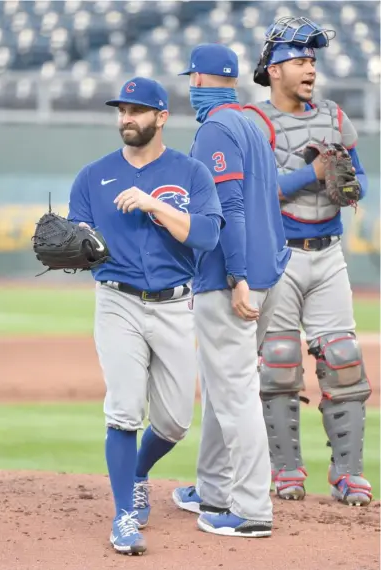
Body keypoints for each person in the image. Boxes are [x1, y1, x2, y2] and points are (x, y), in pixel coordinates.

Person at [67, 76, 224, 555]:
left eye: (136, 110)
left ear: (160, 117)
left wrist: (155, 204)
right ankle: (123, 517)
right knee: (124, 409)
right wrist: (73, 243)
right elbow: (79, 239)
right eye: (121, 110)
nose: (126, 118)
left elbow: (206, 237)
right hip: (117, 300)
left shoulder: (191, 172)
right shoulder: (92, 176)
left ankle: (139, 472)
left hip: (176, 303)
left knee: (175, 421)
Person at [243, 16, 372, 506]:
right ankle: (285, 471)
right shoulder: (254, 123)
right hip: (281, 256)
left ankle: (348, 473)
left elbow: (355, 177)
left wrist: (346, 179)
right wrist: (311, 171)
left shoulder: (336, 116)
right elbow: (258, 192)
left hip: (328, 253)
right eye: (298, 61)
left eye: (312, 61)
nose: (309, 69)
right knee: (278, 361)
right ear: (273, 70)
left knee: (342, 359)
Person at [172, 44, 291, 538]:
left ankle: (251, 508)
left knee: (235, 392)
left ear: (200, 79)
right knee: (223, 387)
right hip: (270, 271)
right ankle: (213, 488)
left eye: (191, 78)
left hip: (232, 281)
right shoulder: (252, 123)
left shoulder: (216, 128)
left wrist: (237, 276)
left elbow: (232, 207)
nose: (190, 86)